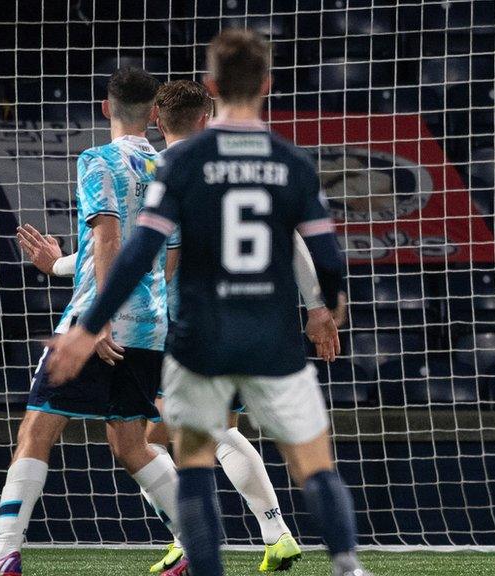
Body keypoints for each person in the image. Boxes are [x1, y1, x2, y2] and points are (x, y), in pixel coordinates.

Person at [46, 29, 371, 576]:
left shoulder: (179, 165)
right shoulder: (290, 161)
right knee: (313, 461)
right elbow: (323, 251)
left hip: (196, 332)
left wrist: (88, 325)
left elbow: (137, 252)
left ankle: (203, 559)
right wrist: (324, 308)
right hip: (269, 334)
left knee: (191, 458)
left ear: (213, 85)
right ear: (265, 85)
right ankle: (345, 563)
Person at [0, 67, 183, 576]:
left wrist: (100, 319)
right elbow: (166, 251)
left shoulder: (98, 159)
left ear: (106, 108)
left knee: (37, 428)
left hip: (95, 321)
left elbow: (107, 237)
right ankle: (197, 543)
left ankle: (4, 554)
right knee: (132, 443)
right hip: (152, 323)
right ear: (154, 114)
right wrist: (64, 263)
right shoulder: (168, 168)